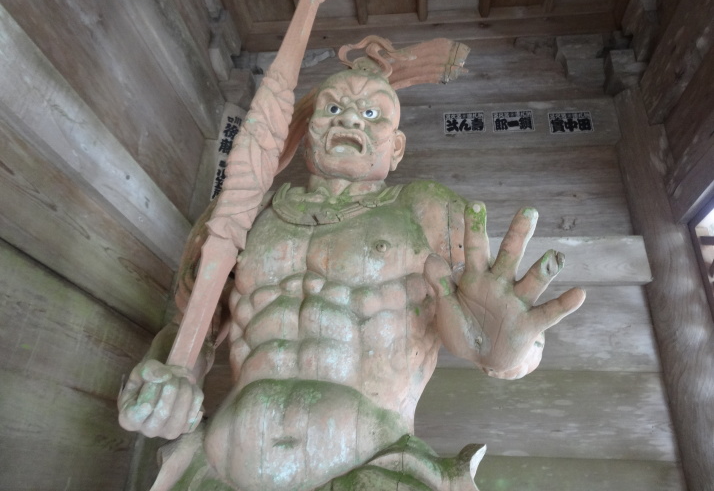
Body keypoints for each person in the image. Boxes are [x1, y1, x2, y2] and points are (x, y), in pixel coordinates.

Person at [118, 58, 585, 491]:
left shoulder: (425, 208)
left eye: (372, 113)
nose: (350, 120)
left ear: (396, 147)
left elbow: (508, 335)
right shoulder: (245, 214)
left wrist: (508, 351)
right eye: (334, 108)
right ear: (308, 132)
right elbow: (190, 330)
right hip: (219, 470)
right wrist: (166, 381)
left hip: (374, 469)